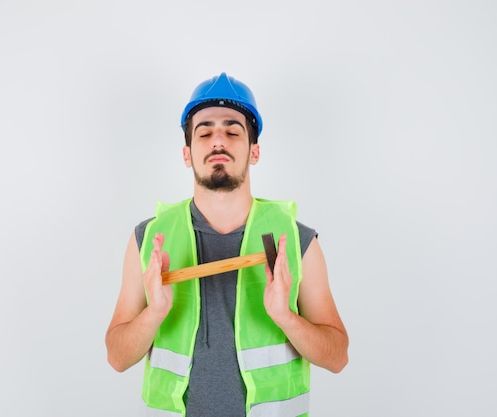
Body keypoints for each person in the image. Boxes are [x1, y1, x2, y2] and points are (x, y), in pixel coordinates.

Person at [105, 72, 348, 417]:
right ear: (187, 153)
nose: (218, 140)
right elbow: (117, 357)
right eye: (204, 132)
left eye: (233, 131)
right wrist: (154, 313)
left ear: (255, 151)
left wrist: (285, 317)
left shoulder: (295, 239)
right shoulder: (149, 239)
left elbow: (338, 357)